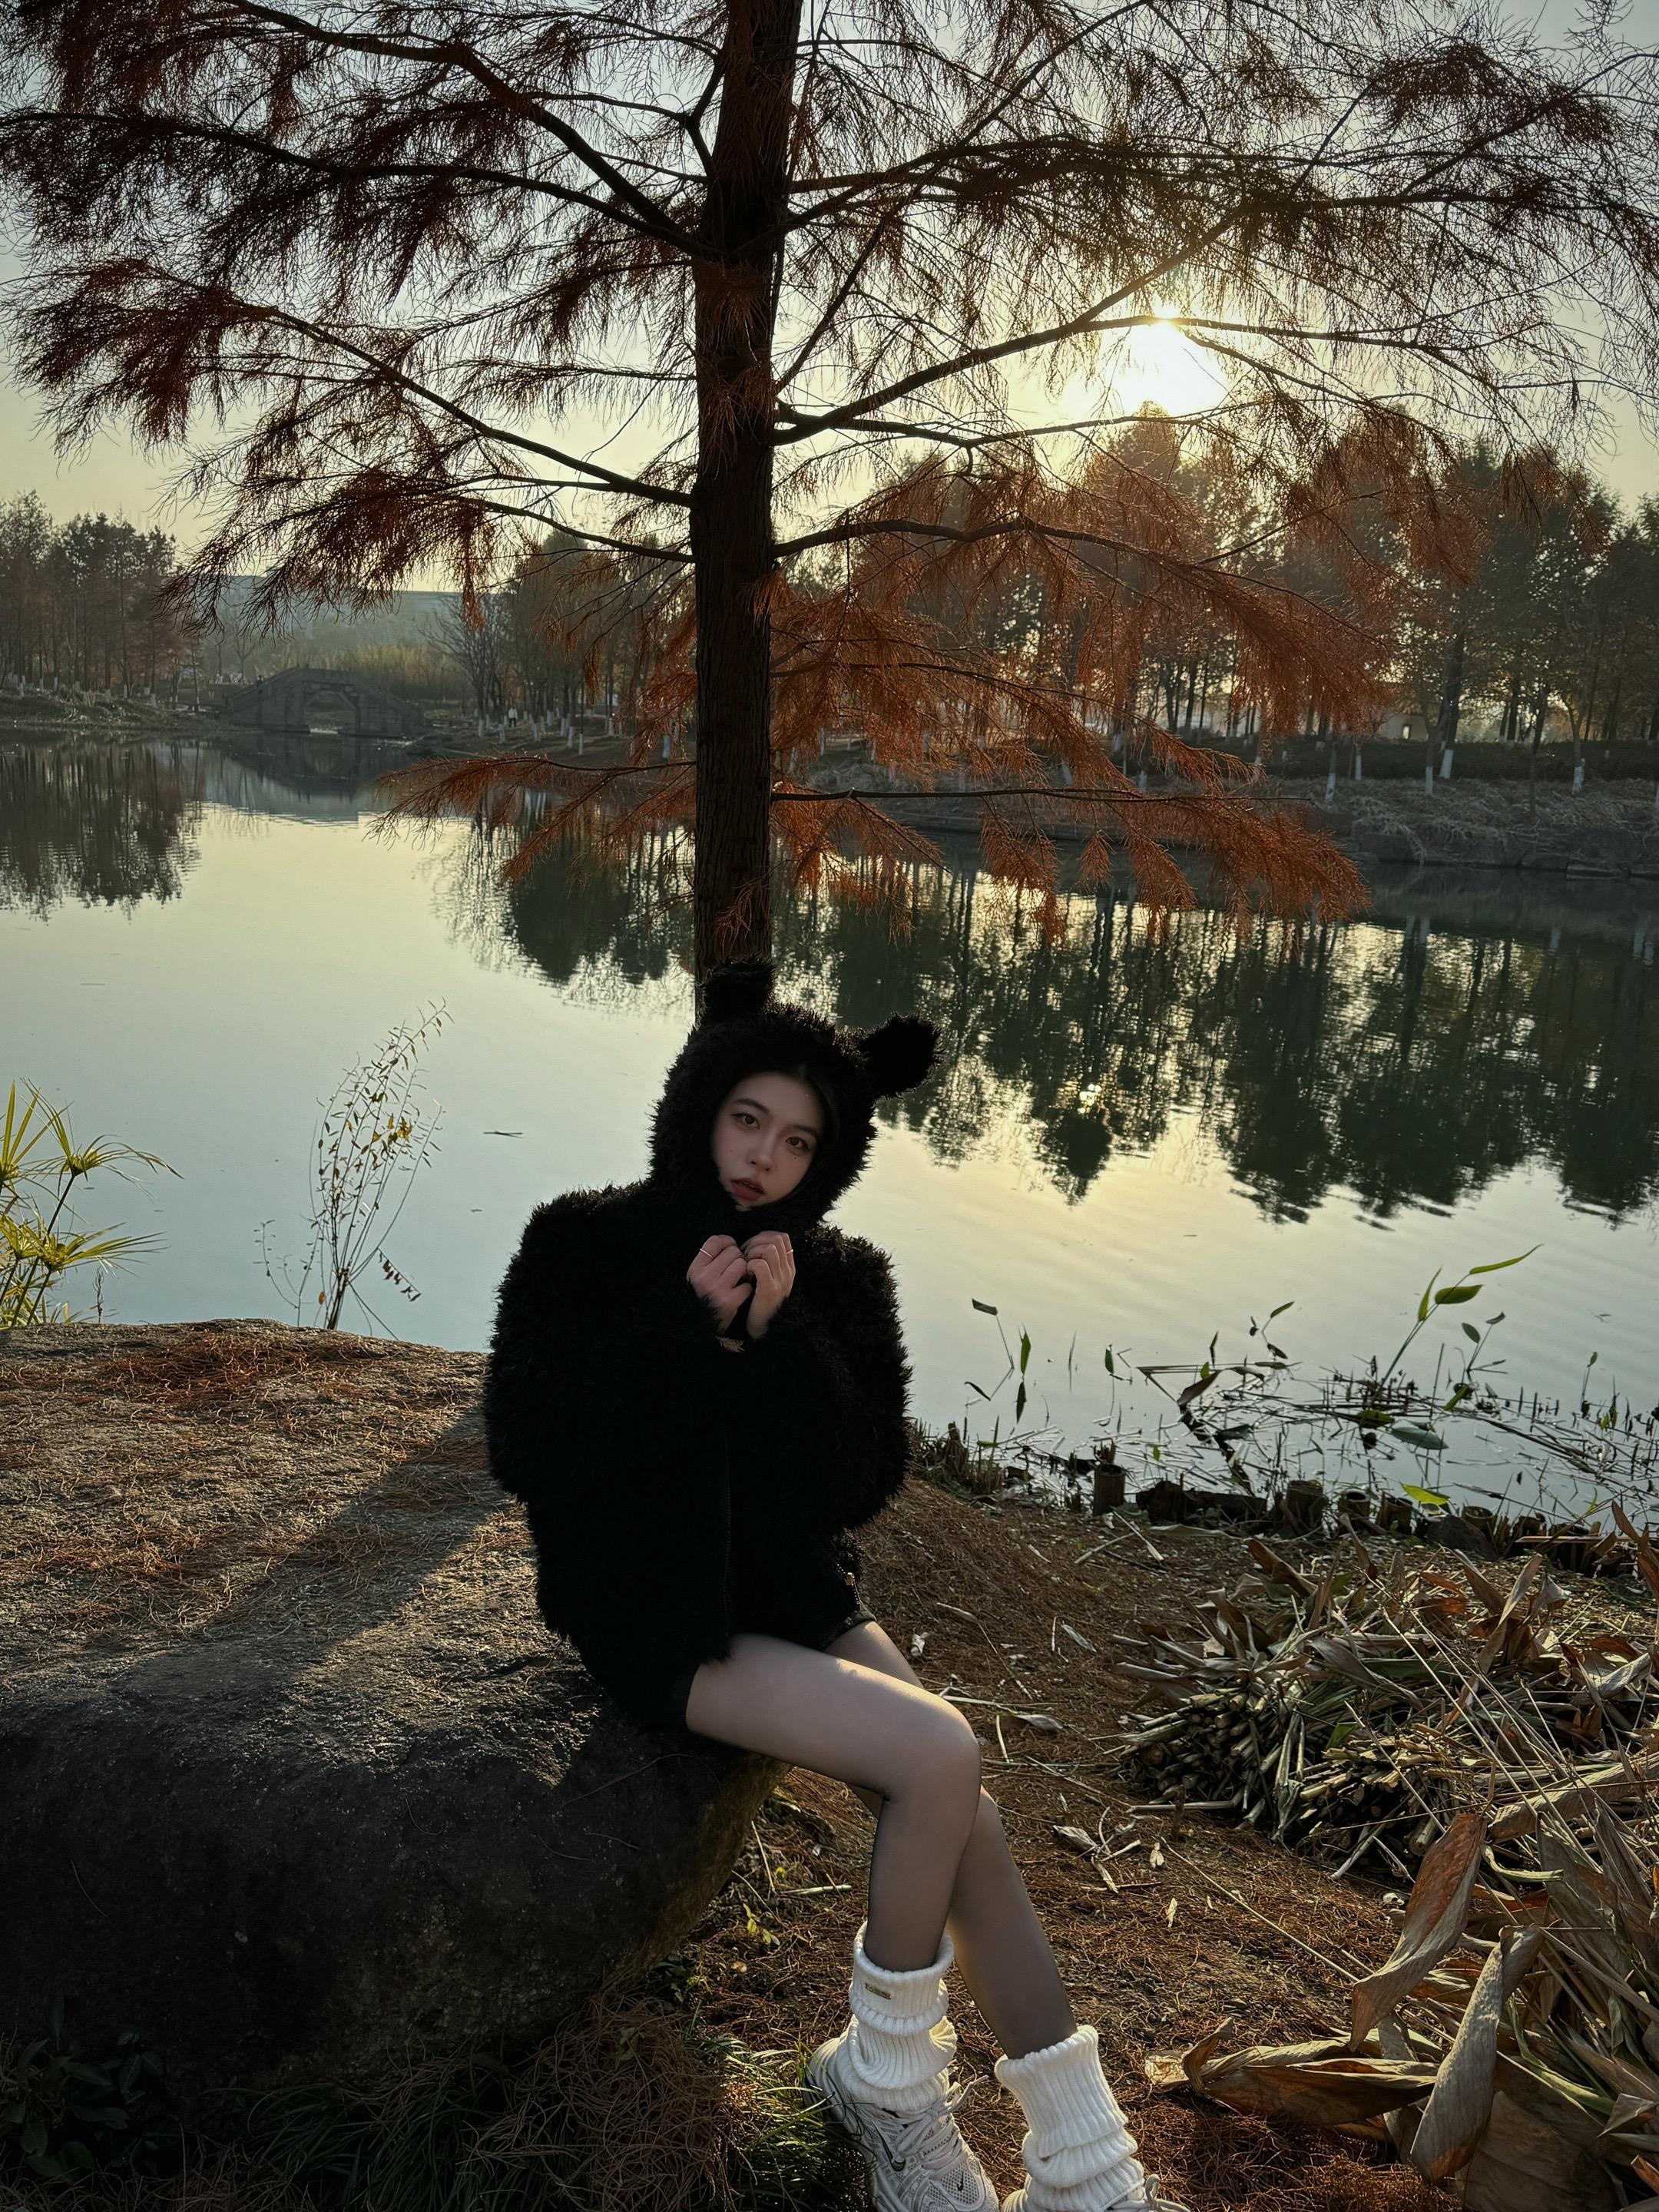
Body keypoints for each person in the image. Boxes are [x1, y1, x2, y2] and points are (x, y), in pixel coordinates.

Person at [482, 959, 1190, 2212]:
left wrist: (778, 1342)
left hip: (792, 1594)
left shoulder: (839, 1278)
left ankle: (1090, 2170)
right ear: (699, 1109)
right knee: (937, 1753)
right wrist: (679, 1333)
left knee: (967, 1817)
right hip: (655, 1615)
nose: (764, 1157)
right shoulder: (581, 1241)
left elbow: (859, 1484)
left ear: (831, 1158)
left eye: (799, 1140)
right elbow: (527, 1448)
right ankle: (887, 2089)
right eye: (747, 1119)